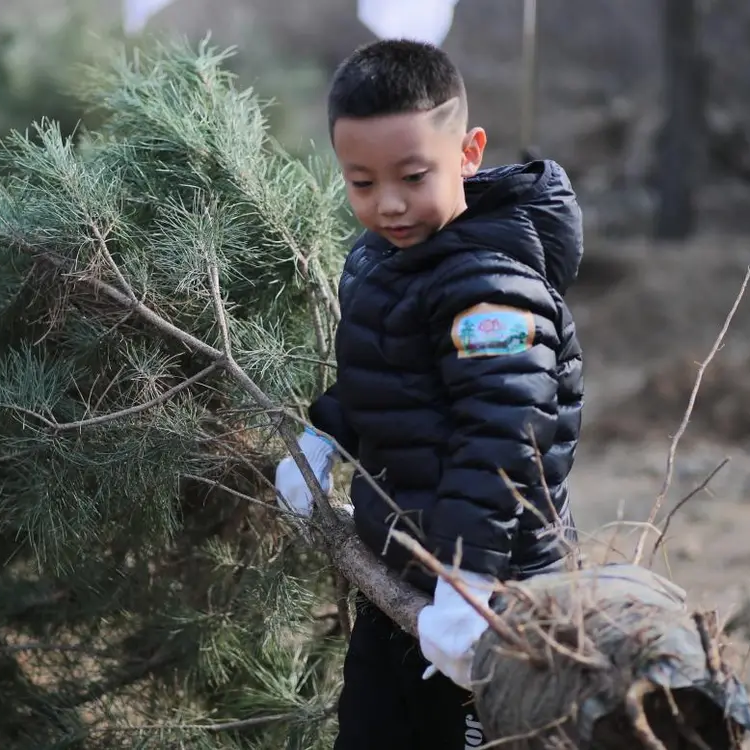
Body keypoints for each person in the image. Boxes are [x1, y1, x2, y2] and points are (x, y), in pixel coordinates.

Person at [273, 38, 585, 750]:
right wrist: (324, 436)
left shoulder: (489, 289)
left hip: (496, 591)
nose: (387, 204)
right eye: (360, 182)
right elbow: (392, 384)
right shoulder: (387, 260)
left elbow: (503, 434)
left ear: (469, 152)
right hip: (406, 572)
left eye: (412, 177)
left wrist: (471, 582)